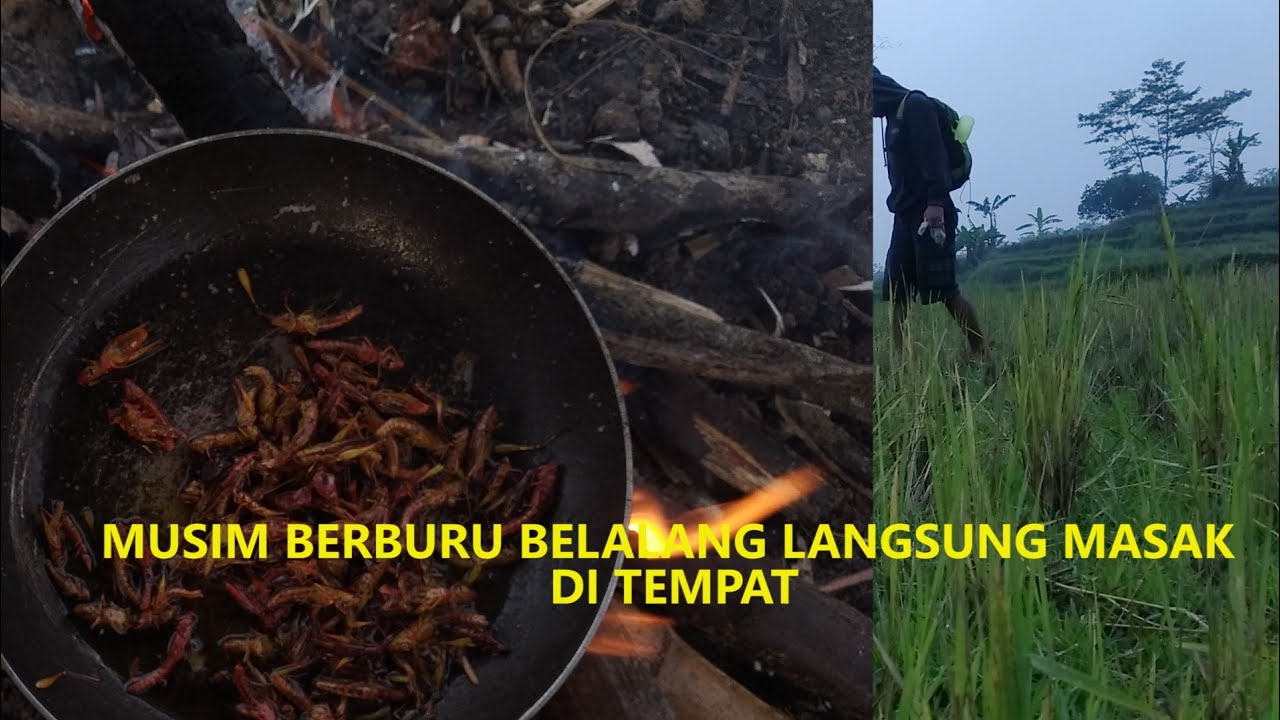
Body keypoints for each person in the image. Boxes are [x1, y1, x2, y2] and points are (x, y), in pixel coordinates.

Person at [872, 67, 986, 354]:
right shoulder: (892, 117)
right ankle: (901, 363)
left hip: (931, 214)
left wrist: (935, 205)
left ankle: (982, 352)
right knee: (898, 292)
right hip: (904, 215)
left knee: (945, 289)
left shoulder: (916, 107)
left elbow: (934, 160)